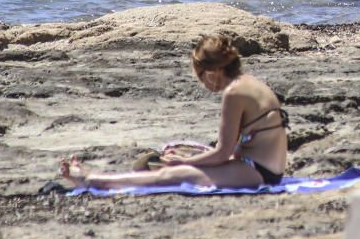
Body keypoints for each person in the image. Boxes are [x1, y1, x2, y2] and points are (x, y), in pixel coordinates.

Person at [60, 34, 288, 190]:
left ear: (214, 71)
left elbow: (222, 153)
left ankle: (91, 179)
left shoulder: (234, 93)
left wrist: (183, 164)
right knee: (182, 162)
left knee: (170, 176)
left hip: (257, 172)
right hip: (265, 167)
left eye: (201, 76)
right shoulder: (250, 83)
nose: (203, 83)